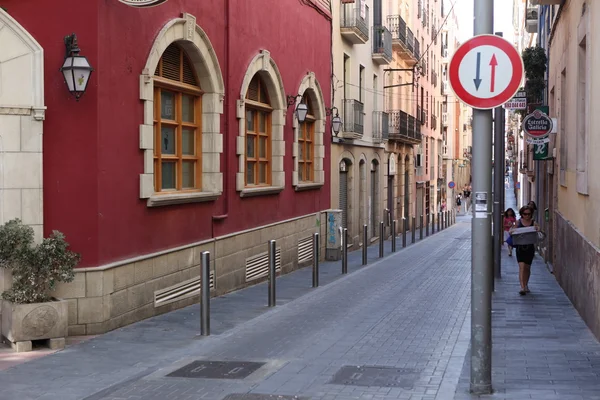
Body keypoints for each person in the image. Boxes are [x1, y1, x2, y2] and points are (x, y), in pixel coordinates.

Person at [509, 206, 540, 296]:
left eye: (528, 214)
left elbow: (539, 229)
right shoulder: (518, 222)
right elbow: (512, 231)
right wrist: (512, 231)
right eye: (524, 214)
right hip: (520, 248)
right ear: (521, 214)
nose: (526, 216)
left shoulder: (533, 223)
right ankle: (522, 287)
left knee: (527, 268)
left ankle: (526, 284)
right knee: (522, 267)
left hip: (530, 248)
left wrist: (538, 228)